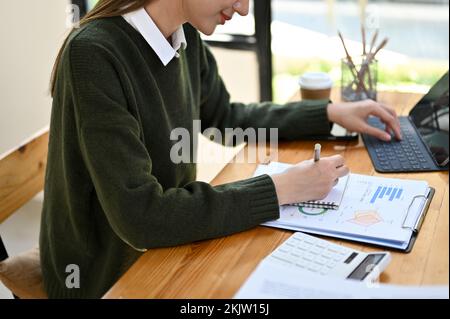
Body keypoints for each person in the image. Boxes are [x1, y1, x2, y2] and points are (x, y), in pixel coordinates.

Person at [41, 0, 402, 298]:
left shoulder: (184, 38)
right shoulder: (94, 54)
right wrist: (281, 189)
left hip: (169, 244)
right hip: (106, 274)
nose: (245, 9)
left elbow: (225, 117)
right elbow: (142, 217)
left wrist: (328, 114)